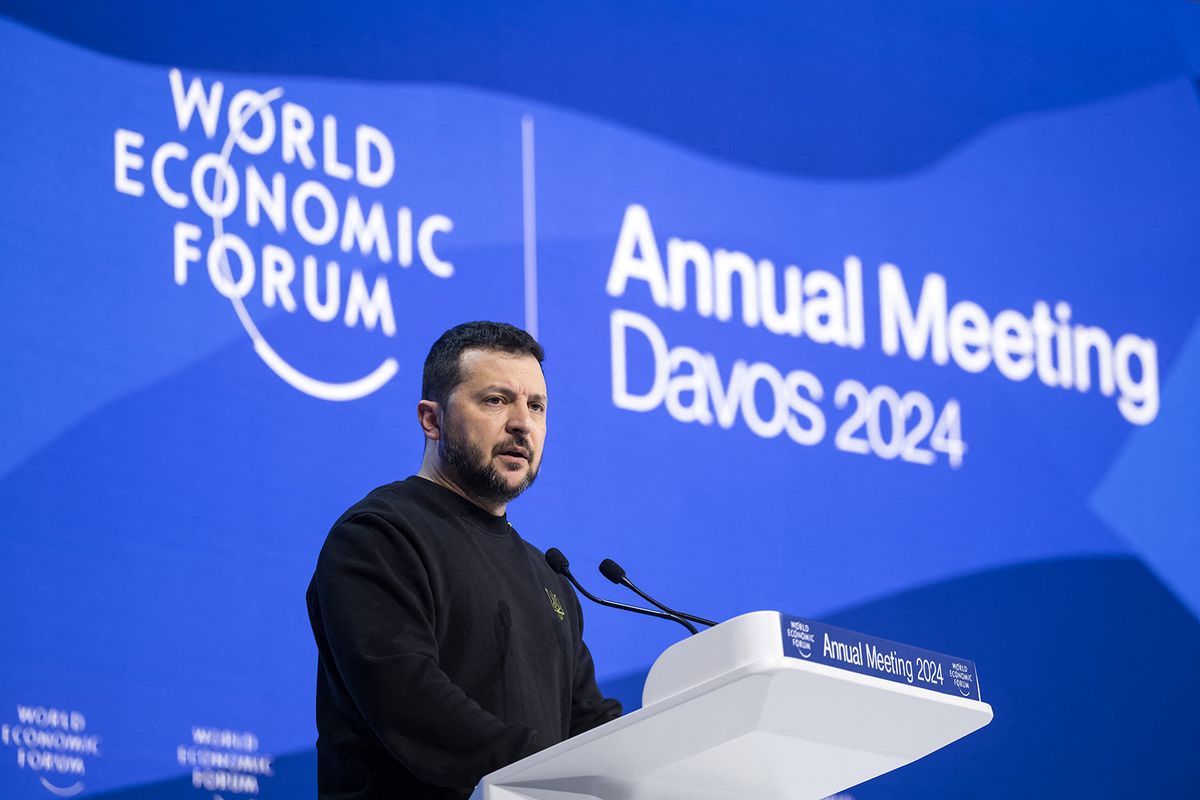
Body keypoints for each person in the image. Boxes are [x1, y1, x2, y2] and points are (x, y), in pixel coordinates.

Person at [306, 321, 622, 800]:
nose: (522, 423)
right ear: (431, 420)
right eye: (496, 400)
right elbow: (412, 704)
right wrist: (552, 771)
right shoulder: (379, 536)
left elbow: (588, 722)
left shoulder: (549, 578)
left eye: (536, 406)